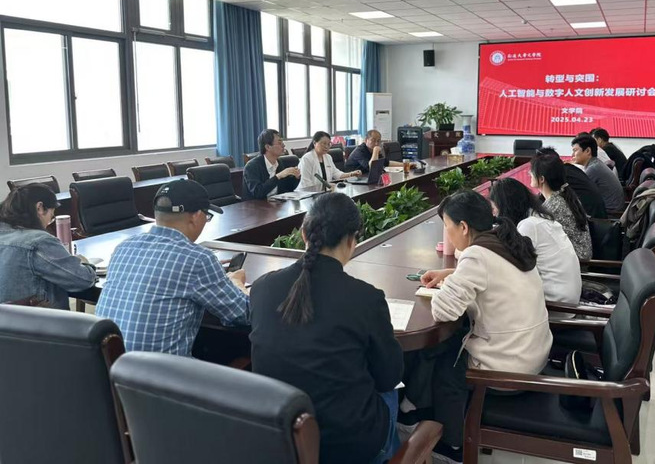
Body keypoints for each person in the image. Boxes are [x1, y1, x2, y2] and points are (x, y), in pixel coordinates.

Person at [250, 192, 403, 464]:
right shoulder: (366, 298)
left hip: (279, 438)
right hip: (347, 448)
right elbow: (388, 377)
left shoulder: (261, 288)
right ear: (352, 240)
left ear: (303, 234)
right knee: (390, 392)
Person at [415, 190, 552, 462]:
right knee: (453, 341)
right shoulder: (506, 240)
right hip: (534, 353)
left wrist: (448, 285)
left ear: (464, 227)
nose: (448, 233)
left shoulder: (476, 255)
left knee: (446, 367)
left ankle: (453, 445)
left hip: (509, 367)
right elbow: (494, 274)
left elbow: (443, 310)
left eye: (447, 226)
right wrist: (452, 274)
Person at [96, 180, 249, 356]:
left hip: (106, 366)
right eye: (207, 217)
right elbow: (242, 314)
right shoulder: (197, 259)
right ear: (196, 216)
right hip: (160, 371)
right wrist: (236, 283)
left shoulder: (123, 247)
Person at [0, 184, 96, 309]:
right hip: (35, 320)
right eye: (51, 217)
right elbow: (82, 280)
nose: (48, 224)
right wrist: (85, 264)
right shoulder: (39, 242)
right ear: (40, 208)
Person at [489, 178, 582, 304]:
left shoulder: (529, 226)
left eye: (495, 208)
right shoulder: (541, 218)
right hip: (567, 297)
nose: (495, 214)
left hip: (555, 304)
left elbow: (512, 264)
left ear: (506, 207)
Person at [530, 154, 593, 260]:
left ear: (541, 179)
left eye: (532, 171)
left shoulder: (554, 206)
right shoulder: (563, 196)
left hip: (574, 262)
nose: (529, 174)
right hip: (574, 258)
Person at [537, 147, 608, 219]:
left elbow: (542, 201)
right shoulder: (570, 168)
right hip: (597, 215)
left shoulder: (558, 174)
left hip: (593, 219)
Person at [571, 134, 625, 213]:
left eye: (575, 150)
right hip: (611, 209)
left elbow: (576, 194)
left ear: (588, 151)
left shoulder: (593, 169)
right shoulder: (595, 164)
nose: (572, 155)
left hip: (609, 214)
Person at [243, 128, 300, 200]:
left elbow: (288, 189)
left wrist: (296, 177)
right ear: (268, 147)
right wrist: (278, 176)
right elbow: (257, 192)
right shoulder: (252, 166)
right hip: (255, 205)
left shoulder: (279, 163)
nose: (283, 145)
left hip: (275, 204)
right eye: (279, 143)